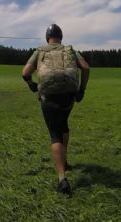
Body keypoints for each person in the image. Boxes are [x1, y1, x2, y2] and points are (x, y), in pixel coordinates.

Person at [22, 23, 90, 194]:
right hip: (69, 95)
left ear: (47, 38)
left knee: (55, 133)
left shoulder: (40, 51)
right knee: (63, 124)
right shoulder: (70, 50)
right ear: (61, 37)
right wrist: (82, 89)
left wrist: (31, 84)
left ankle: (62, 178)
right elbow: (86, 68)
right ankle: (64, 160)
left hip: (49, 97)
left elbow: (25, 72)